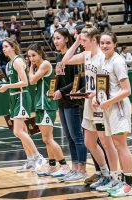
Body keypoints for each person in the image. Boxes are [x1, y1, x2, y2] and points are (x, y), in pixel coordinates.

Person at [62, 24, 119, 189]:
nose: (82, 43)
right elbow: (66, 60)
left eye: (85, 40)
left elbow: (106, 83)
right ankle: (104, 173)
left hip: (100, 102)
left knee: (106, 142)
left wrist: (95, 95)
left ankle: (114, 177)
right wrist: (76, 42)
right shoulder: (86, 54)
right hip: (89, 103)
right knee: (89, 142)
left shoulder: (102, 56)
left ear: (94, 40)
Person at [97, 31, 132, 197]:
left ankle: (130, 184)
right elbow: (105, 87)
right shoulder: (104, 60)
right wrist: (97, 99)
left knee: (121, 145)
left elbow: (127, 90)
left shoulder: (118, 61)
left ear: (114, 44)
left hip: (118, 108)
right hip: (109, 107)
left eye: (108, 43)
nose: (105, 45)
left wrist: (108, 101)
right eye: (102, 43)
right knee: (117, 145)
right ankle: (123, 181)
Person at [0, 37, 46, 172]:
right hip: (14, 97)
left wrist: (7, 86)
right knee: (23, 131)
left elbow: (25, 82)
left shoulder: (18, 61)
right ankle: (30, 160)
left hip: (22, 96)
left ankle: (38, 156)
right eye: (3, 47)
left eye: (6, 46)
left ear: (13, 47)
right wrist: (8, 89)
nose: (4, 49)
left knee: (17, 131)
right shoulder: (8, 64)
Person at [27, 43, 70, 177]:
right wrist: (33, 67)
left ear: (40, 53)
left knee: (49, 139)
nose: (31, 59)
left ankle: (64, 165)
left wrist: (30, 68)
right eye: (29, 57)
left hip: (47, 105)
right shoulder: (38, 66)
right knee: (46, 139)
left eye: (33, 55)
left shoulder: (45, 64)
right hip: (40, 105)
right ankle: (52, 166)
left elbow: (32, 80)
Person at [52, 28, 87, 182]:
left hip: (73, 101)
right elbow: (58, 79)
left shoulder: (74, 58)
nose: (55, 41)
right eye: (54, 38)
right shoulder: (59, 57)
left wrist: (61, 90)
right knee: (69, 138)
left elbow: (78, 81)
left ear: (67, 39)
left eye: (58, 38)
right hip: (62, 102)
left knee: (77, 137)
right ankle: (74, 169)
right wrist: (52, 90)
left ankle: (82, 169)